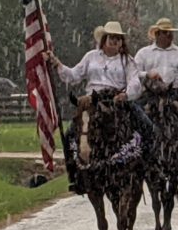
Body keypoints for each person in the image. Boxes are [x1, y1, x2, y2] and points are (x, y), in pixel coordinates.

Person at [44, 21, 153, 193]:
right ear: (104, 39)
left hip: (116, 100)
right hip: (91, 101)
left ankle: (148, 168)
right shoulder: (90, 57)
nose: (115, 41)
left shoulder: (127, 61)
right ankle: (76, 177)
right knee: (72, 134)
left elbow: (135, 82)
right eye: (111, 37)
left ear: (122, 42)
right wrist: (57, 63)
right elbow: (73, 75)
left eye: (118, 38)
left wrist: (126, 94)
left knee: (148, 126)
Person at [133, 17, 178, 176]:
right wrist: (148, 74)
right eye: (166, 33)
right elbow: (133, 72)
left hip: (177, 94)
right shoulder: (143, 53)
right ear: (157, 34)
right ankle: (131, 158)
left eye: (171, 33)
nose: (170, 36)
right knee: (131, 118)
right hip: (151, 94)